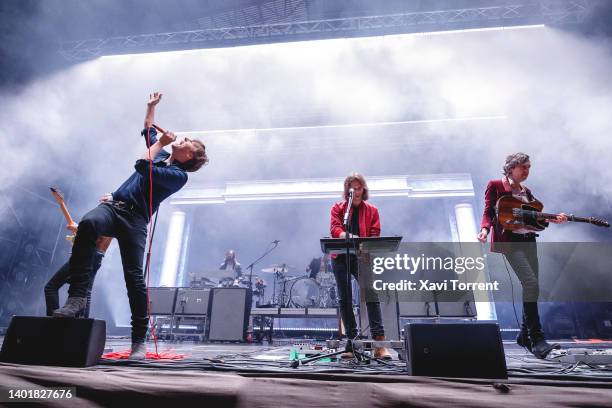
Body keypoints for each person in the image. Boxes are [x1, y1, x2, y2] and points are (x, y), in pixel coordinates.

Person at [53, 92, 208, 360]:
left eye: (186, 143)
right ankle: (77, 297)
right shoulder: (160, 153)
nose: (181, 139)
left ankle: (139, 341)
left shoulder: (177, 175)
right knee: (89, 222)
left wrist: (160, 142)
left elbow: (141, 164)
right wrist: (151, 107)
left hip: (135, 221)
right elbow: (147, 129)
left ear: (187, 157)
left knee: (134, 278)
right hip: (114, 208)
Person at [478, 152, 568, 359]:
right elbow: (488, 212)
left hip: (529, 241)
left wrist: (555, 219)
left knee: (533, 285)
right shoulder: (496, 185)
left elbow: (537, 215)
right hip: (511, 243)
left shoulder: (527, 191)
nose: (527, 171)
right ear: (511, 168)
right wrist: (484, 230)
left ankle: (523, 335)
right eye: (523, 167)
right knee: (530, 284)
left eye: (529, 167)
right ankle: (536, 338)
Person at [330, 172, 391, 360]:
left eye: (358, 188)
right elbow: (335, 228)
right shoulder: (338, 208)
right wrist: (346, 236)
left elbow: (375, 232)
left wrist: (361, 244)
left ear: (363, 189)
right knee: (345, 299)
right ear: (347, 190)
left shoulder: (372, 210)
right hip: (340, 257)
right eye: (352, 188)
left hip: (362, 257)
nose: (355, 191)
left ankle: (379, 345)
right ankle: (352, 343)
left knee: (371, 296)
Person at [44, 220, 112, 318]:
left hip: (88, 254)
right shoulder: (111, 213)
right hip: (95, 254)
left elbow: (100, 236)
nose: (101, 203)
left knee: (51, 287)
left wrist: (79, 230)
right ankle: (82, 327)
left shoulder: (109, 213)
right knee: (86, 292)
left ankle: (54, 325)